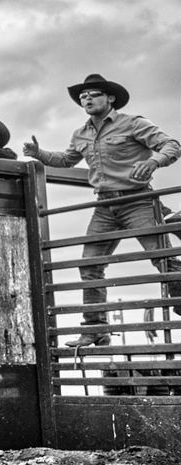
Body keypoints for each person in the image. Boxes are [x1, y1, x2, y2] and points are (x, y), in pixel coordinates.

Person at [24, 73, 181, 348]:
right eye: (83, 96)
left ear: (110, 98)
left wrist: (154, 162)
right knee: (89, 264)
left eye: (93, 94)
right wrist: (40, 153)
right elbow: (67, 159)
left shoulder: (133, 123)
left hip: (138, 200)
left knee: (161, 257)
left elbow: (172, 145)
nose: (86, 98)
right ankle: (95, 329)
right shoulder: (81, 133)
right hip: (105, 206)